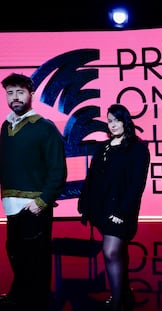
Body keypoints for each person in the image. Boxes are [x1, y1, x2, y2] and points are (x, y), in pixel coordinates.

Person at [0, 73, 68, 310]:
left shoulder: (44, 127)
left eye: (20, 92)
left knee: (36, 259)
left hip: (34, 206)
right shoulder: (6, 126)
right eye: (10, 92)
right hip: (10, 205)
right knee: (16, 254)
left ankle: (37, 302)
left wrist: (42, 201)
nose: (15, 97)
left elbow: (58, 169)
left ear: (31, 94)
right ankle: (19, 295)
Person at [77, 103, 150, 311]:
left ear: (125, 121)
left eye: (117, 120)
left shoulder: (138, 148)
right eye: (110, 121)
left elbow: (137, 185)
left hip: (122, 211)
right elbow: (92, 178)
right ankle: (125, 296)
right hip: (102, 209)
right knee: (119, 253)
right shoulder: (104, 147)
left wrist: (121, 212)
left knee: (110, 252)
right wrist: (85, 203)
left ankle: (117, 303)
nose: (113, 124)